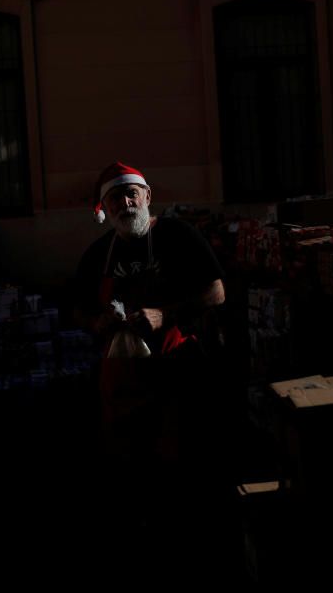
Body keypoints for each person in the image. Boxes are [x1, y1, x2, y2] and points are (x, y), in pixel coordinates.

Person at [73, 162, 234, 573]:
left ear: (147, 197)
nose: (125, 203)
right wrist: (97, 322)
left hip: (178, 367)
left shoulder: (179, 236)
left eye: (132, 194)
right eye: (115, 198)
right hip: (125, 379)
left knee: (184, 459)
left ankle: (192, 543)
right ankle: (140, 543)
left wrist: (167, 314)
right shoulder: (98, 254)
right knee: (130, 464)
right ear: (105, 208)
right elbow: (75, 309)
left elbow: (217, 293)